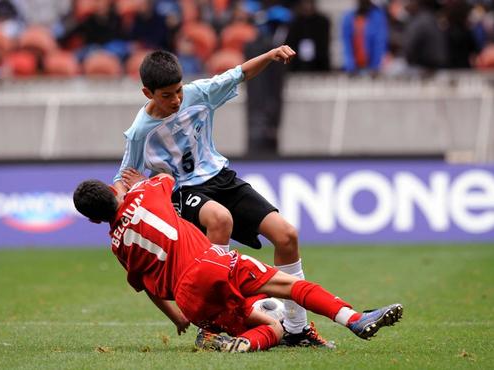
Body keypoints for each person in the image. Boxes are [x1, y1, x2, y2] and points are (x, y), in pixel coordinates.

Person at [112, 47, 326, 347]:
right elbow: (123, 178)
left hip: (222, 179)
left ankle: (297, 329)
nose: (175, 100)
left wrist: (270, 55)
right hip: (184, 192)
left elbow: (239, 73)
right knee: (220, 219)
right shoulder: (139, 133)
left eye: (178, 92)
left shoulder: (198, 93)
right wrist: (116, 199)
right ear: (147, 92)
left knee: (287, 235)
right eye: (166, 95)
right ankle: (213, 321)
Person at [73, 175, 404, 352]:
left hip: (189, 302)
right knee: (292, 286)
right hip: (208, 263)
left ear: (92, 221)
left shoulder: (117, 245)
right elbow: (164, 177)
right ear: (110, 190)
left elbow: (147, 286)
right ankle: (355, 319)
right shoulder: (145, 192)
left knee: (271, 327)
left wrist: (177, 317)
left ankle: (242, 343)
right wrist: (127, 184)